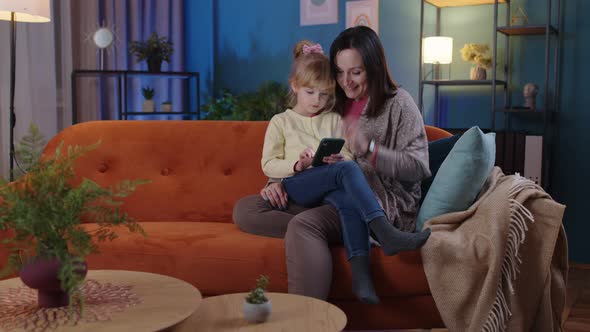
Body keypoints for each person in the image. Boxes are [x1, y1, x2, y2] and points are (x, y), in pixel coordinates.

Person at [233, 26, 431, 301]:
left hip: (376, 199)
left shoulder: (398, 104)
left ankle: (311, 319)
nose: (346, 82)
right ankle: (360, 230)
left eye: (356, 72)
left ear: (374, 68)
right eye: (339, 72)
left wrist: (371, 150)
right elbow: (294, 147)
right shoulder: (331, 100)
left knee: (305, 225)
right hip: (322, 190)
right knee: (246, 209)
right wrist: (277, 182)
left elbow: (419, 168)